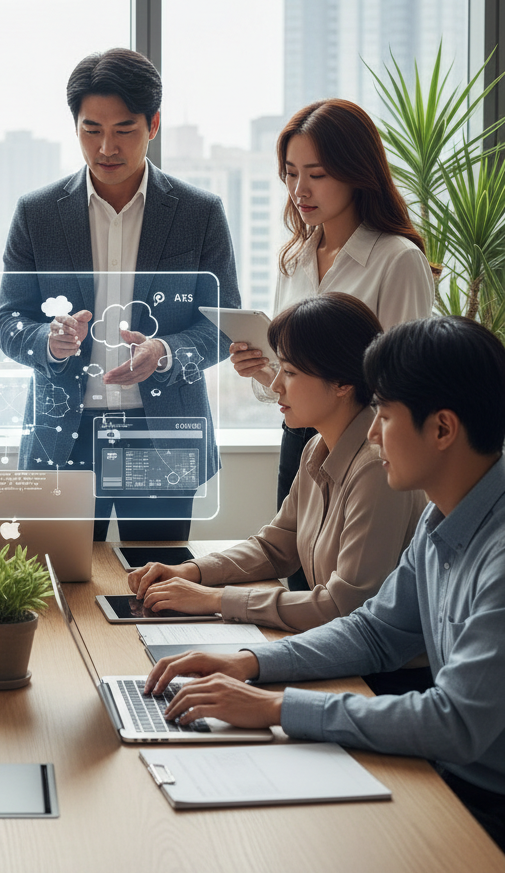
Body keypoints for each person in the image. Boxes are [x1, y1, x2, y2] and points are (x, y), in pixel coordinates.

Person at [144, 316, 505, 851]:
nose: (374, 433)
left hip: (483, 804)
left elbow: (454, 723)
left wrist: (275, 707)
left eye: (385, 416)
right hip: (445, 773)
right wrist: (249, 663)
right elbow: (373, 632)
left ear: (443, 429)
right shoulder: (440, 518)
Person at [0, 48, 239, 540]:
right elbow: (8, 321)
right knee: (58, 577)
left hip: (160, 434)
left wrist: (165, 352)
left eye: (124, 130)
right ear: (76, 127)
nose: (106, 147)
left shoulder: (199, 213)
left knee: (157, 576)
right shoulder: (37, 213)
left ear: (153, 125)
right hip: (65, 436)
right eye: (91, 130)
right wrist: (47, 341)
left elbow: (225, 325)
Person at [128, 292, 426, 638]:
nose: (275, 385)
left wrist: (213, 599)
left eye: (290, 372)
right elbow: (274, 548)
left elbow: (343, 606)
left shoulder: (377, 468)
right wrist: (189, 571)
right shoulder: (316, 448)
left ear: (343, 383)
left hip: (383, 666)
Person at [229, 99, 433, 587]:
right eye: (290, 173)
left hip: (367, 450)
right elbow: (295, 369)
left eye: (316, 174)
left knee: (349, 593)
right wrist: (264, 370)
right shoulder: (295, 258)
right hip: (301, 440)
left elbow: (404, 382)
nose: (300, 190)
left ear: (357, 172)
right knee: (295, 576)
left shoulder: (397, 259)